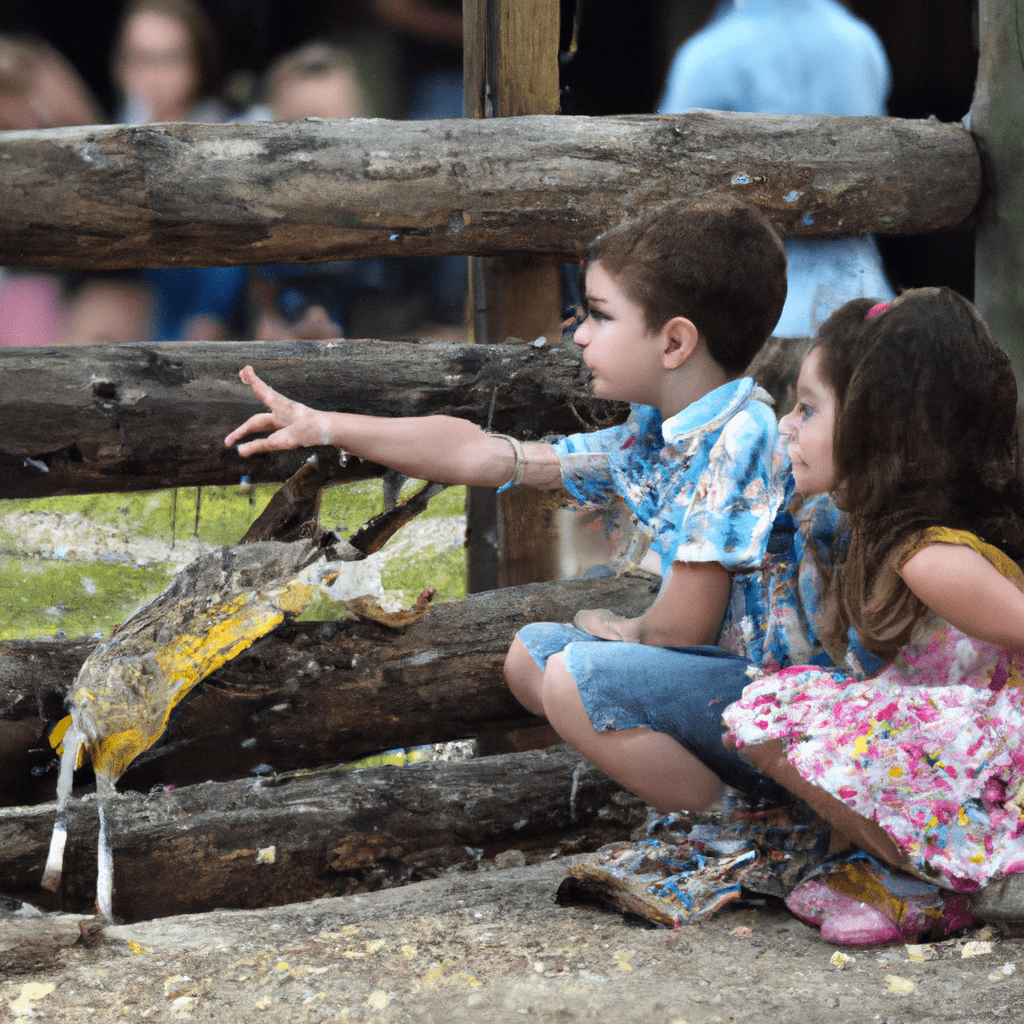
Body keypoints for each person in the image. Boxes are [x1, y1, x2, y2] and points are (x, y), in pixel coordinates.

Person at [225, 195, 790, 812]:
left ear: (675, 342)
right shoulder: (654, 432)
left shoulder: (742, 435)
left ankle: (745, 830)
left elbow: (683, 627)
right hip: (717, 690)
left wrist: (619, 630)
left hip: (777, 705)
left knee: (578, 680)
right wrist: (325, 425)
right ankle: (724, 810)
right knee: (532, 661)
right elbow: (486, 456)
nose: (577, 335)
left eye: (599, 316)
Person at [723, 289, 1024, 910]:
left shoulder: (930, 558)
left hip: (1002, 757)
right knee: (772, 714)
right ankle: (934, 874)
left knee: (777, 717)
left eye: (810, 409)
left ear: (879, 425)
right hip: (963, 742)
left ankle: (969, 881)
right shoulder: (877, 534)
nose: (789, 424)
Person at [658, 0, 895, 338]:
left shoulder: (709, 55)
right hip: (863, 302)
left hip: (749, 316)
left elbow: (667, 183)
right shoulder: (860, 43)